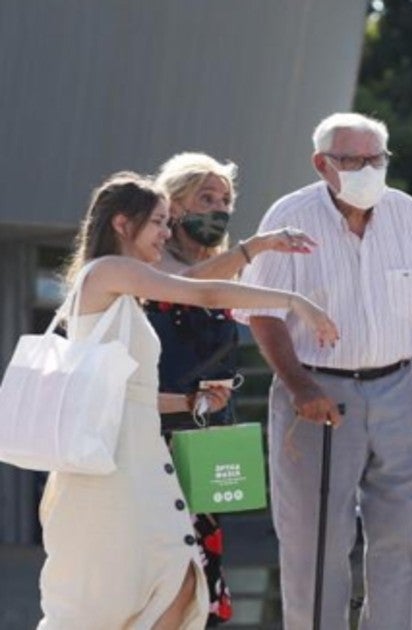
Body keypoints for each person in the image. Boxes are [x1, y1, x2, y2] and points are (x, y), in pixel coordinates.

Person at [235, 112, 412, 630]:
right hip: (316, 393)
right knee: (316, 542)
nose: (367, 169)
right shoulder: (289, 216)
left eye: (376, 159)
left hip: (399, 390)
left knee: (399, 541)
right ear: (322, 165)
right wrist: (299, 387)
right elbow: (262, 314)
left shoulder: (409, 215)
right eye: (352, 160)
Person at [38, 172, 337, 630]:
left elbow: (124, 396)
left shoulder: (125, 291)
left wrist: (190, 401)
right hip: (116, 470)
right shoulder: (108, 272)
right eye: (158, 222)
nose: (166, 231)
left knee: (171, 585)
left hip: (138, 461)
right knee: (134, 592)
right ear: (122, 223)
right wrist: (294, 301)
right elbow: (204, 291)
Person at [148, 151, 319, 625]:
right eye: (206, 197)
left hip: (206, 435)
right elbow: (188, 287)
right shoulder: (152, 259)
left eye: (225, 199)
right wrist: (257, 247)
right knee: (159, 567)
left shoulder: (222, 269)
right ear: (174, 206)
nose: (220, 208)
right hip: (152, 437)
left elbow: (252, 311)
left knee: (201, 570)